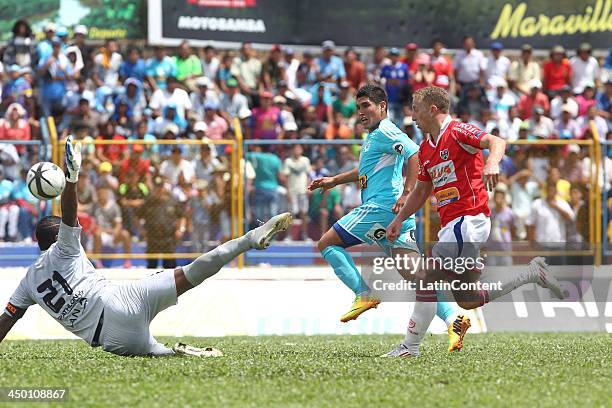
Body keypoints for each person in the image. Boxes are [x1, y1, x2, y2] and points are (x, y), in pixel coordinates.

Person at [0, 136, 292, 356]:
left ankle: (169, 352)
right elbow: (71, 216)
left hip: (111, 340)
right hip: (122, 299)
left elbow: (8, 318)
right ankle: (247, 240)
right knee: (191, 273)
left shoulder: (27, 283)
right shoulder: (63, 249)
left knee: (155, 353)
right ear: (56, 237)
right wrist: (72, 177)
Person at [383, 87, 565, 357]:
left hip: (468, 220)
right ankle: (531, 273)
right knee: (469, 300)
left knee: (424, 276)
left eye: (416, 108)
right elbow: (421, 191)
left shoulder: (457, 132)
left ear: (433, 109)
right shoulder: (425, 149)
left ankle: (410, 347)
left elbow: (497, 142)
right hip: (454, 226)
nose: (413, 115)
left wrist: (492, 163)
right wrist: (399, 219)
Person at [308, 84, 461, 341]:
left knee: (327, 243)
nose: (361, 112)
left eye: (366, 105)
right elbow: (366, 171)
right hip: (393, 214)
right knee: (415, 275)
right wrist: (334, 180)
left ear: (382, 107)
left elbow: (414, 154)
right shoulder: (375, 137)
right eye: (358, 107)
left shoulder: (386, 131)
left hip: (381, 208)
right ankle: (454, 319)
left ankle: (363, 294)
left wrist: (407, 193)